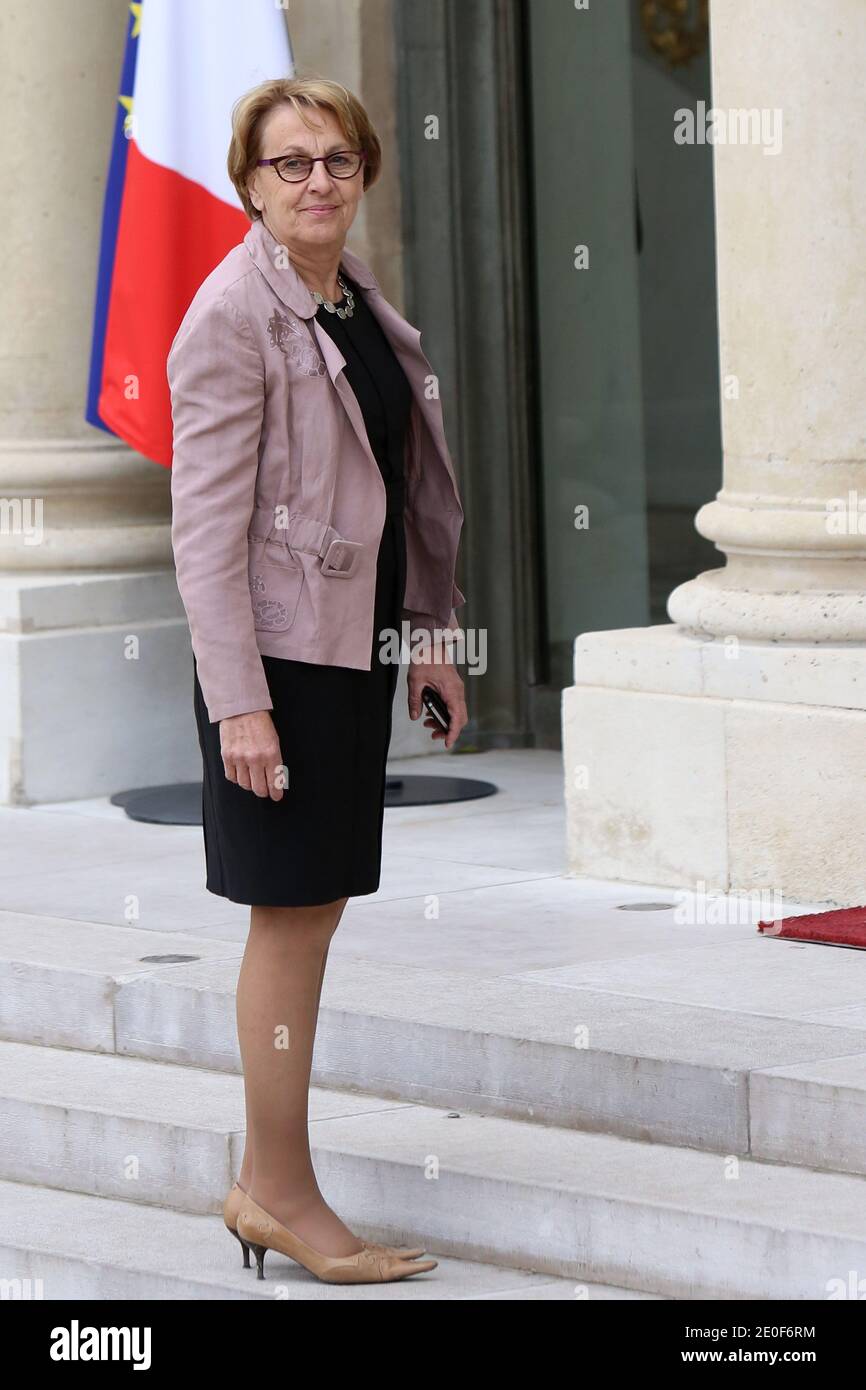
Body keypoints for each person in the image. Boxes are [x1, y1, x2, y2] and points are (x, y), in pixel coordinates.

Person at [167, 76, 467, 1285]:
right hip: (276, 666)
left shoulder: (352, 303)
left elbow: (402, 489)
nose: (317, 181)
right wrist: (239, 700)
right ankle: (278, 1191)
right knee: (287, 919)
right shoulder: (231, 314)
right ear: (248, 181)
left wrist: (430, 628)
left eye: (337, 159)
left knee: (315, 908)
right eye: (289, 163)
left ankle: (262, 1178)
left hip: (343, 653)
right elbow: (203, 532)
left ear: (365, 173)